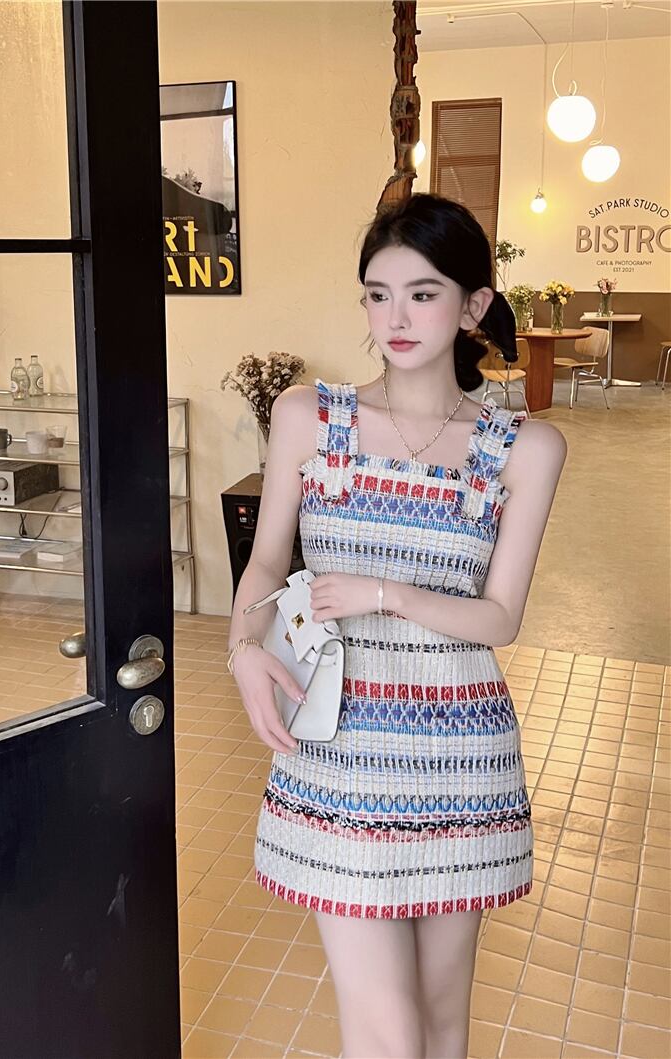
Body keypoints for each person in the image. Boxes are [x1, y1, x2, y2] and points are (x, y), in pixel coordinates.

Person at [225, 193, 567, 1059]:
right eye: (378, 295)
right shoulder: (309, 417)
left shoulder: (524, 448)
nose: (397, 318)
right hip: (340, 751)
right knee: (389, 1037)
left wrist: (387, 592)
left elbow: (501, 617)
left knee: (443, 1027)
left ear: (474, 305)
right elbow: (265, 564)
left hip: (462, 759)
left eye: (423, 293)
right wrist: (243, 650)